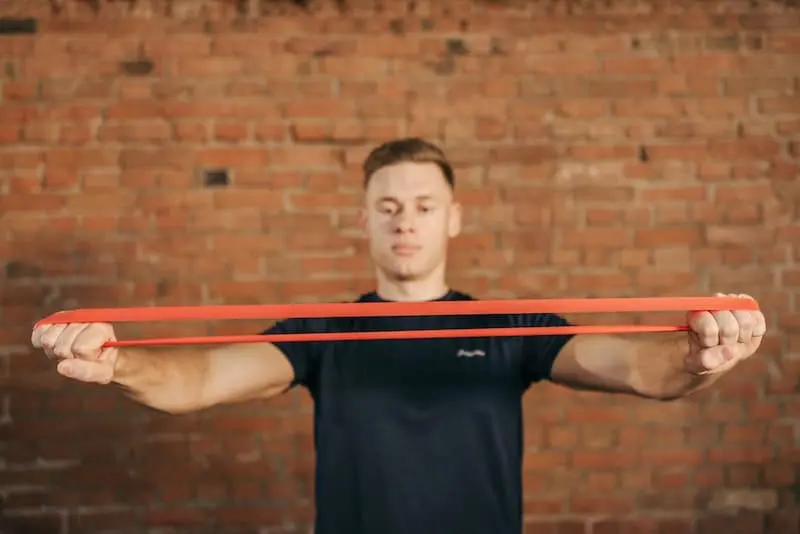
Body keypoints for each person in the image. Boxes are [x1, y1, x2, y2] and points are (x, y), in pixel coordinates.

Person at [31, 137, 766, 534]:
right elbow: (197, 381)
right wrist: (116, 361)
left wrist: (699, 356)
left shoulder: (510, 327)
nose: (404, 220)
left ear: (452, 218)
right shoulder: (322, 334)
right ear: (364, 221)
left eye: (421, 204)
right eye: (387, 206)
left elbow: (641, 368)